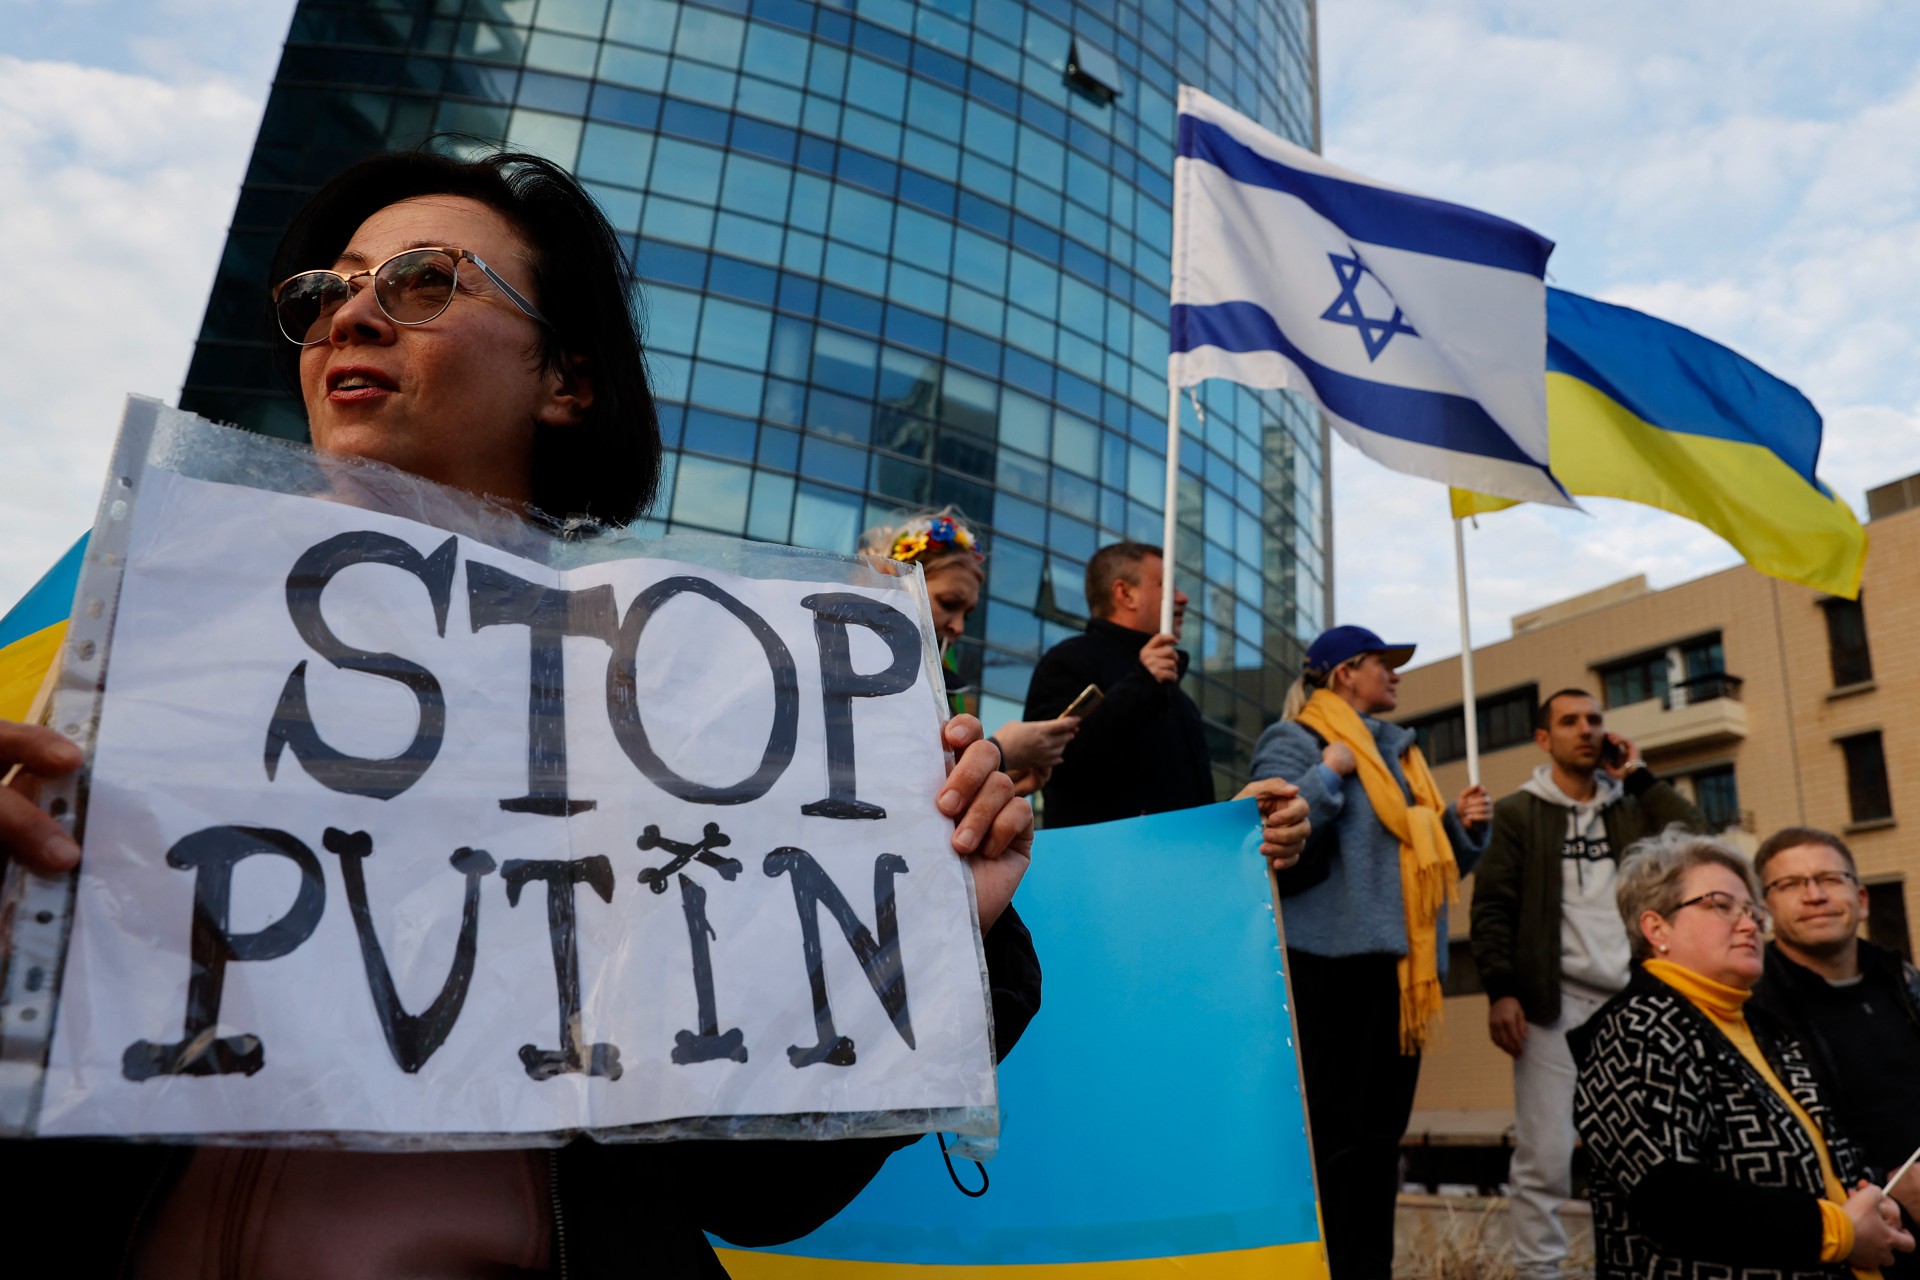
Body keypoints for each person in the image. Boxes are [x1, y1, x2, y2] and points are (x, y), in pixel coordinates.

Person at [0, 148, 1041, 1278]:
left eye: (424, 283)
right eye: (328, 290)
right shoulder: (143, 642)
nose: (351, 313)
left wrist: (929, 929)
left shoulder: (701, 703)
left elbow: (753, 1190)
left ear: (565, 378)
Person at [1247, 624, 1491, 1280]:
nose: (1396, 674)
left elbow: (1415, 863)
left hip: (1396, 971)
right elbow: (1262, 837)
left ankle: (1367, 1269)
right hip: (1325, 963)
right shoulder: (1297, 738)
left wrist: (1462, 832)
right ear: (1343, 672)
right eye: (1383, 662)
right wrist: (1326, 774)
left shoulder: (1400, 754)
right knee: (1330, 1140)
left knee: (1381, 1142)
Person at [1574, 830, 1913, 1279]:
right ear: (1657, 928)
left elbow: (1825, 1157)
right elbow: (1669, 1198)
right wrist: (1840, 1231)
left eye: (1752, 910)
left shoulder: (1758, 1027)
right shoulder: (1638, 1027)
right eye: (1719, 905)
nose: (1750, 924)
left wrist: (1880, 1199)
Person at [1469, 687, 1705, 1280]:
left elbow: (1699, 844)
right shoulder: (1520, 812)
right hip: (1553, 1007)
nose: (1585, 730)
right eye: (1569, 721)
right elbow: (1493, 906)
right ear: (1543, 739)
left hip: (1633, 1006)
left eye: (1594, 720)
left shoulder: (1629, 807)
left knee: (1645, 1156)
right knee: (1545, 1156)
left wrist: (1641, 776)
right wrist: (1502, 989)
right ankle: (1539, 1274)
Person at [1748, 828, 1920, 1269]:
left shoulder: (1905, 984)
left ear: (1861, 899)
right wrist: (1885, 1182)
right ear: (1764, 911)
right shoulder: (1753, 1006)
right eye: (1790, 884)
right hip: (1853, 1237)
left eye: (1829, 878)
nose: (1814, 895)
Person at [857, 509, 1080, 796]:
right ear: (893, 583)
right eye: (949, 603)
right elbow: (883, 777)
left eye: (968, 614)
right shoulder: (850, 660)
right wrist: (1001, 752)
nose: (959, 627)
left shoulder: (939, 680)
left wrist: (993, 779)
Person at [1020, 541, 1209, 827]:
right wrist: (1143, 684)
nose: (1182, 598)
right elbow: (1055, 762)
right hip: (1102, 863)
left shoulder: (1181, 700)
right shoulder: (1069, 661)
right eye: (1166, 586)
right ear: (1125, 593)